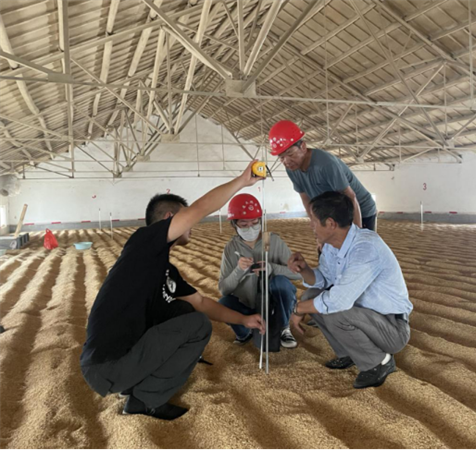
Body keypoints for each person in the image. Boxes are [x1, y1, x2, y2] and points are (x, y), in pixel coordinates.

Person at [80, 161, 265, 421]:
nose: (192, 225)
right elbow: (200, 209)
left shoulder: (164, 269)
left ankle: (135, 384)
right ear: (170, 218)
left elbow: (201, 302)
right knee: (198, 325)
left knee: (184, 309)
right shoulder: (143, 241)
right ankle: (144, 400)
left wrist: (244, 320)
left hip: (117, 362)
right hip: (107, 365)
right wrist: (241, 181)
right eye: (185, 218)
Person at [287, 191, 412, 389]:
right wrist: (305, 270)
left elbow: (338, 301)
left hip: (391, 328)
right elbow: (324, 280)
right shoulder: (332, 245)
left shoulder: (366, 248)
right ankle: (349, 353)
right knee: (313, 296)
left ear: (330, 223)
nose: (311, 225)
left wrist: (298, 309)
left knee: (336, 310)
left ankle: (379, 362)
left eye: (313, 220)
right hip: (365, 316)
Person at [218, 194, 301, 349]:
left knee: (281, 283)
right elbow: (224, 289)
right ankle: (244, 333)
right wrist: (238, 270)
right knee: (223, 304)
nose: (250, 227)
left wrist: (272, 268)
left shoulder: (272, 240)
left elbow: (298, 273)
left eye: (255, 222)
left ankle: (284, 327)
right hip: (246, 304)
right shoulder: (231, 248)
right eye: (244, 224)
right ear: (234, 224)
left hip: (273, 304)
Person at [269, 120, 378, 231]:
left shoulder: (326, 164)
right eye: (281, 157)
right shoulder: (292, 170)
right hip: (336, 212)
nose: (286, 161)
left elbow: (350, 197)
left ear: (303, 146)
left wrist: (358, 234)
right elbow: (306, 198)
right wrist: (315, 225)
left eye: (290, 154)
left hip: (361, 209)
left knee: (357, 241)